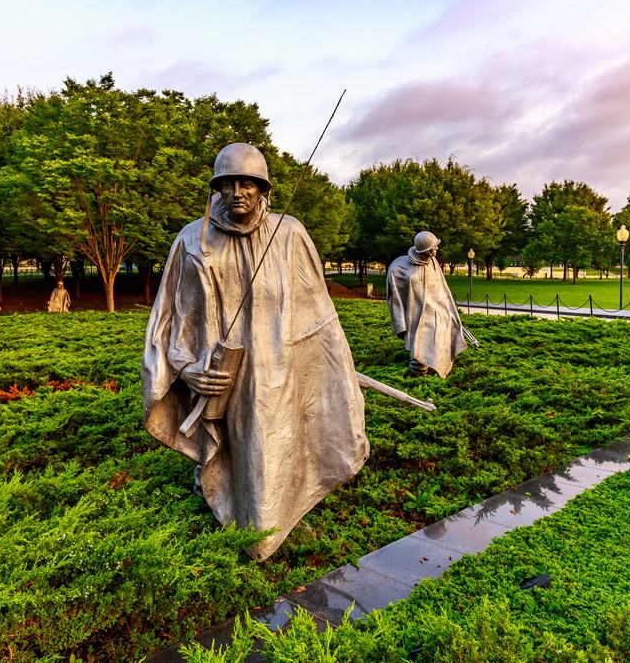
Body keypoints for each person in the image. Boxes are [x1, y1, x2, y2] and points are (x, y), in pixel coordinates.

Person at [142, 143, 368, 560]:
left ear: (264, 188)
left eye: (248, 182)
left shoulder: (290, 233)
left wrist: (333, 372)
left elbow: (320, 317)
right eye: (228, 183)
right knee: (237, 454)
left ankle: (272, 528)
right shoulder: (192, 240)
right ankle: (240, 523)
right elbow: (170, 318)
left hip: (280, 374)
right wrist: (186, 368)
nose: (238, 192)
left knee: (277, 450)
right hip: (224, 378)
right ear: (217, 188)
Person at [386, 231, 467, 376]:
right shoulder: (399, 268)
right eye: (433, 247)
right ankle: (417, 376)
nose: (436, 249)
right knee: (419, 346)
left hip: (436, 310)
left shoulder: (433, 263)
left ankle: (432, 368)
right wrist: (400, 322)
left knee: (444, 332)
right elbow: (395, 298)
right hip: (415, 313)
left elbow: (442, 289)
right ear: (425, 250)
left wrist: (449, 311)